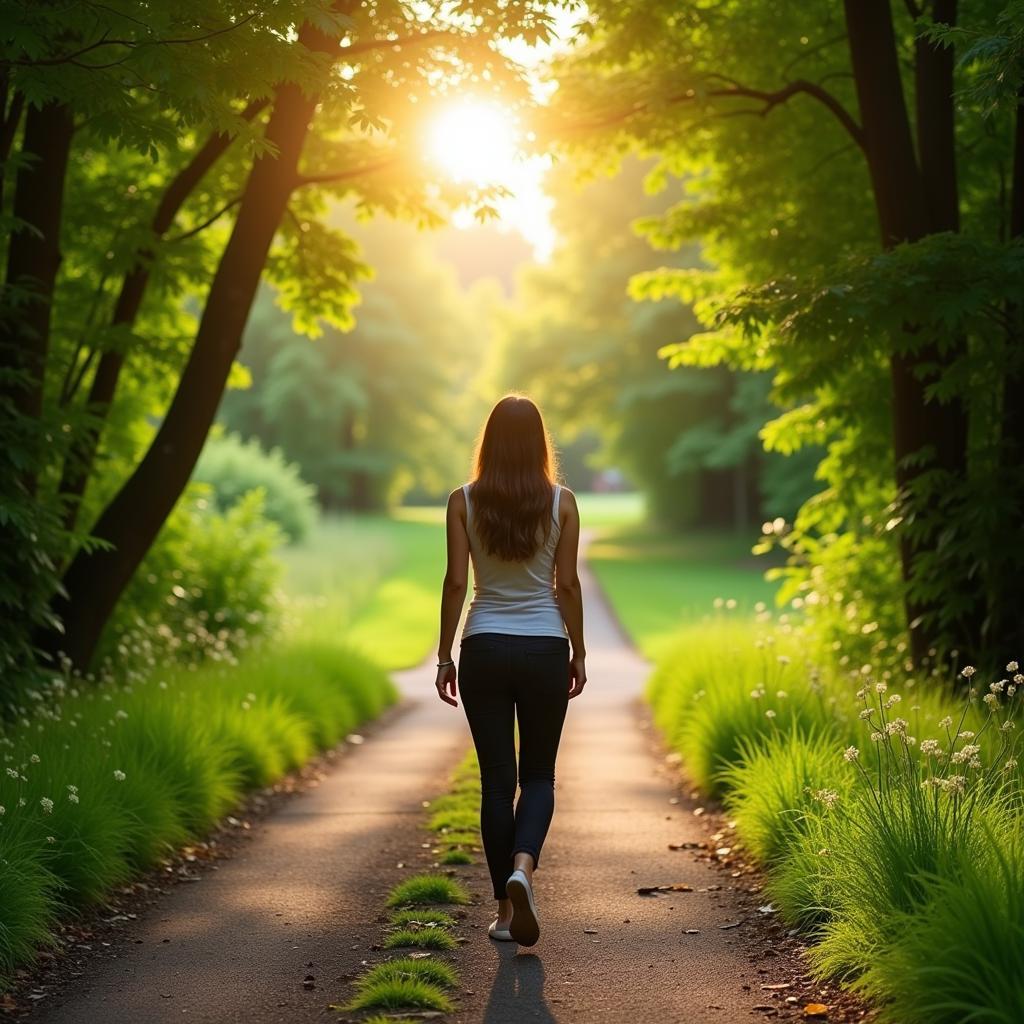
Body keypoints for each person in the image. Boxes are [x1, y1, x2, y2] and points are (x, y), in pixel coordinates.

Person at [433, 394, 587, 947]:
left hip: (484, 647)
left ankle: (503, 910)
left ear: (489, 442)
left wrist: (445, 654)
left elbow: (456, 583)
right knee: (539, 776)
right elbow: (565, 586)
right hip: (546, 647)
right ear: (540, 442)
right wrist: (580, 650)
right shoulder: (562, 502)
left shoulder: (463, 500)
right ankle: (524, 867)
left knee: (497, 784)